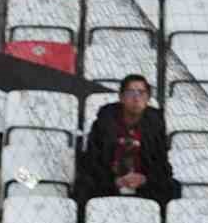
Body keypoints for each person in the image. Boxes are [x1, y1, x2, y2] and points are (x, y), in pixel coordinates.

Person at [75, 74, 179, 206]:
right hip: (109, 179)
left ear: (147, 98)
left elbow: (161, 163)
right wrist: (114, 181)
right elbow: (92, 159)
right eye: (130, 92)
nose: (136, 98)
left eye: (141, 93)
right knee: (84, 185)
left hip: (143, 181)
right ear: (121, 97)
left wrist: (144, 179)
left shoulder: (155, 122)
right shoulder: (105, 120)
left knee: (172, 187)